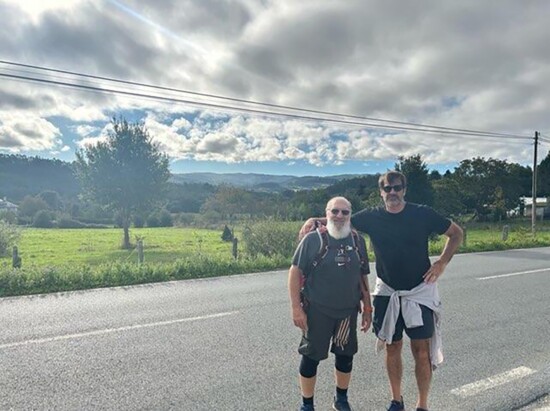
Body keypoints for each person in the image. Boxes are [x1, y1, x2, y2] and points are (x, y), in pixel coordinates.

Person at [299, 171, 463, 411]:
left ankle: (423, 405)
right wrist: (313, 220)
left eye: (397, 188)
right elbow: (340, 218)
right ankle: (396, 401)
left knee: (421, 350)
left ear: (405, 189)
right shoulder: (372, 217)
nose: (393, 193)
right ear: (381, 192)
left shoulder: (423, 214)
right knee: (392, 346)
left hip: (419, 291)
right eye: (388, 188)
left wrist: (441, 263)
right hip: (387, 292)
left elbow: (456, 233)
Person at [289, 196, 372, 411]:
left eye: (345, 212)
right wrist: (296, 308)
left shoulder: (357, 240)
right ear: (326, 214)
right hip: (317, 311)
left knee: (345, 356)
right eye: (335, 211)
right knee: (310, 358)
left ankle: (341, 399)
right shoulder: (313, 240)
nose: (340, 216)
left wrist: (368, 307)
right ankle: (307, 404)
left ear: (350, 215)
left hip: (347, 311)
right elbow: (294, 272)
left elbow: (362, 275)